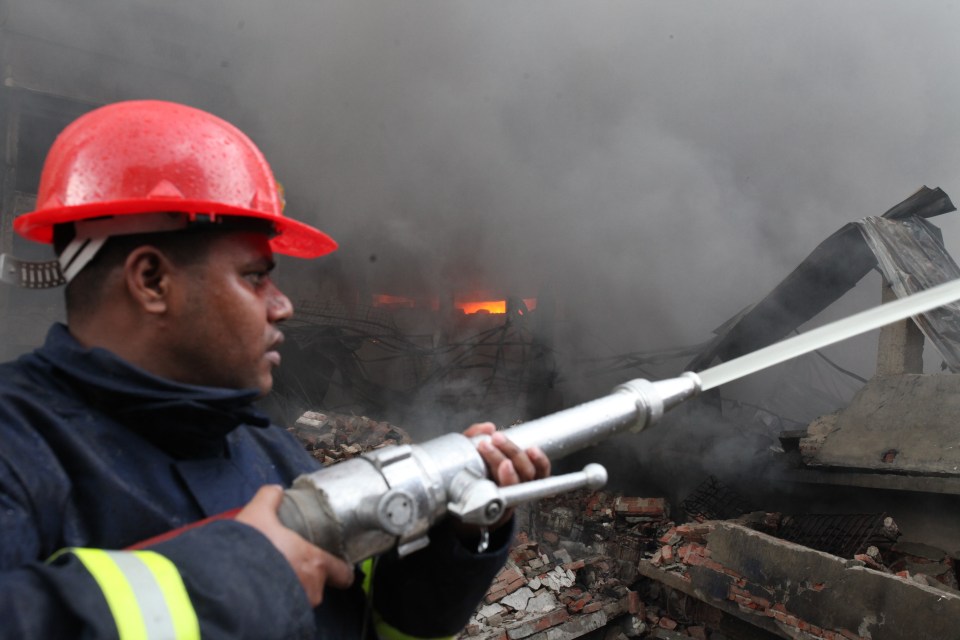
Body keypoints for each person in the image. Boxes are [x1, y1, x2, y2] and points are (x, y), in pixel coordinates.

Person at [0, 100, 550, 639]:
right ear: (150, 280)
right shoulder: (17, 448)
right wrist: (247, 572)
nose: (283, 305)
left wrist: (457, 537)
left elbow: (376, 620)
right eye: (256, 276)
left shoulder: (266, 451)